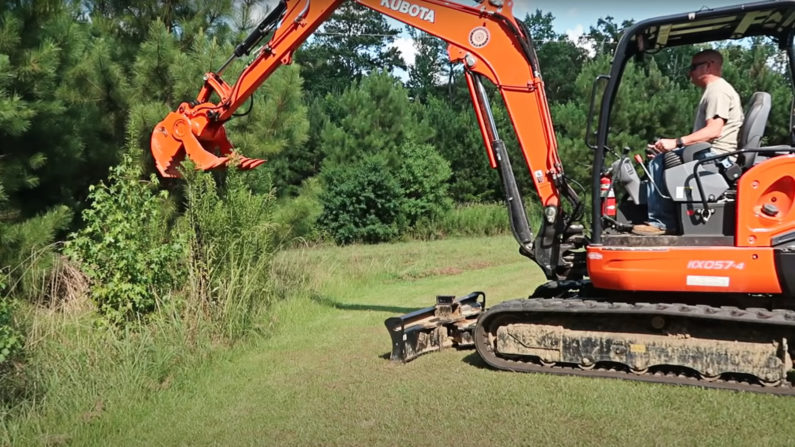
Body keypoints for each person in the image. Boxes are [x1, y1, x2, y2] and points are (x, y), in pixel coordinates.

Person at [632, 49, 744, 236]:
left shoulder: (718, 90)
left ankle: (662, 222)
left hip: (716, 156)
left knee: (658, 163)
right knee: (663, 158)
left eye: (693, 67)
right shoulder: (715, 90)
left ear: (709, 66)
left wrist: (676, 142)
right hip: (710, 152)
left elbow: (714, 131)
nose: (689, 73)